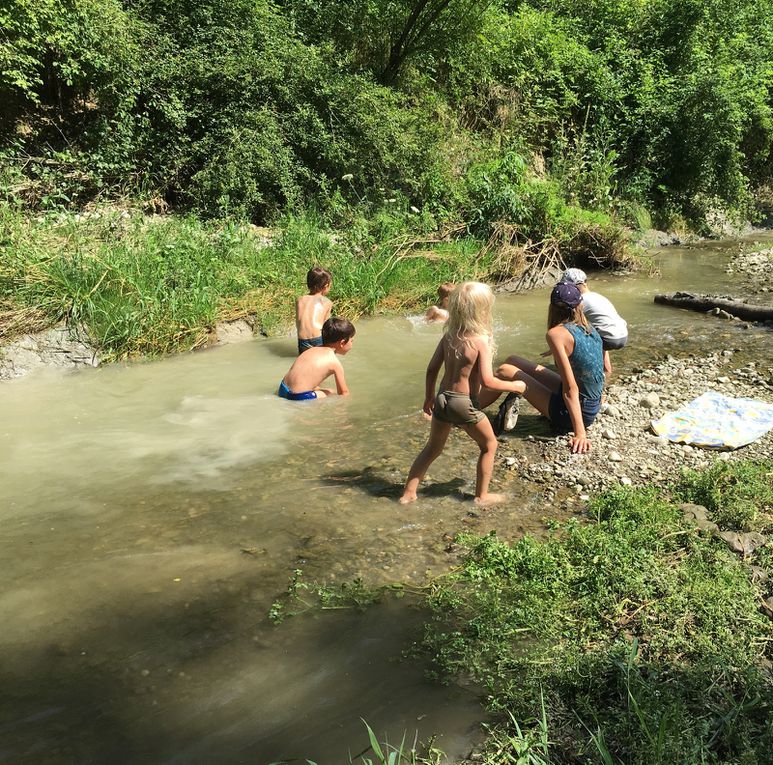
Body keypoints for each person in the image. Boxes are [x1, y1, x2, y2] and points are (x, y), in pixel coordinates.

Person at [399, 282, 526, 506]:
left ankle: (408, 493)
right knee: (489, 445)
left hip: (442, 398)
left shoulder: (449, 336)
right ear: (483, 311)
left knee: (432, 448)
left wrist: (429, 397)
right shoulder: (480, 341)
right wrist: (516, 386)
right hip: (463, 403)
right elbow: (488, 381)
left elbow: (431, 369)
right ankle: (482, 496)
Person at [478, 282, 604, 454]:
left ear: (551, 306)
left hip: (574, 413)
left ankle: (468, 411)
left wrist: (580, 433)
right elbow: (596, 365)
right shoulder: (588, 326)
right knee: (513, 360)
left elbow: (570, 389)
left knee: (504, 371)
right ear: (579, 305)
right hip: (590, 405)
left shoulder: (555, 334)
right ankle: (487, 399)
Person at [560, 268, 627, 378]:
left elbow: (567, 327)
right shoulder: (598, 296)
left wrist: (558, 345)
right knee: (596, 328)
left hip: (609, 339)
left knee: (575, 332)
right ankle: (607, 369)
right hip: (623, 336)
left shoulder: (580, 301)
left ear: (574, 286)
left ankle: (579, 374)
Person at [278, 317, 355, 401]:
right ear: (342, 343)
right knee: (330, 392)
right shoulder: (334, 363)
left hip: (282, 389)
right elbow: (344, 393)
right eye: (352, 341)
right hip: (296, 397)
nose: (352, 345)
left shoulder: (312, 350)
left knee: (318, 388)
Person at [296, 267, 333, 354]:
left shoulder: (300, 300)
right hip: (317, 338)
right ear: (326, 286)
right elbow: (326, 326)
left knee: (304, 361)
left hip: (302, 339)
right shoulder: (327, 302)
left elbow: (298, 321)